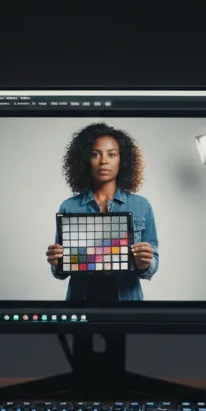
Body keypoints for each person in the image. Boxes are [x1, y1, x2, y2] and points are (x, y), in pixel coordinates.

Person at [45, 123, 158, 301]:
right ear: (84, 160)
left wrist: (145, 262)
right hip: (81, 303)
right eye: (95, 154)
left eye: (111, 154)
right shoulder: (69, 207)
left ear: (123, 160)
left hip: (126, 302)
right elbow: (60, 272)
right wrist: (57, 261)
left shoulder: (141, 206)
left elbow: (152, 265)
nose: (103, 161)